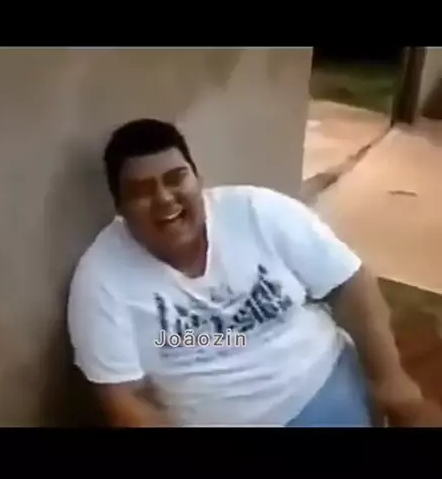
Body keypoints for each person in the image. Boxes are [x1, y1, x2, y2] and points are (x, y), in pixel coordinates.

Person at [68, 118, 442, 428]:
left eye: (176, 178)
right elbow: (124, 401)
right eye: (142, 190)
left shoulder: (257, 211)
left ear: (198, 179)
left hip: (326, 386)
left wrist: (393, 384)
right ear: (121, 208)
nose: (165, 198)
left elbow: (350, 283)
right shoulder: (102, 279)